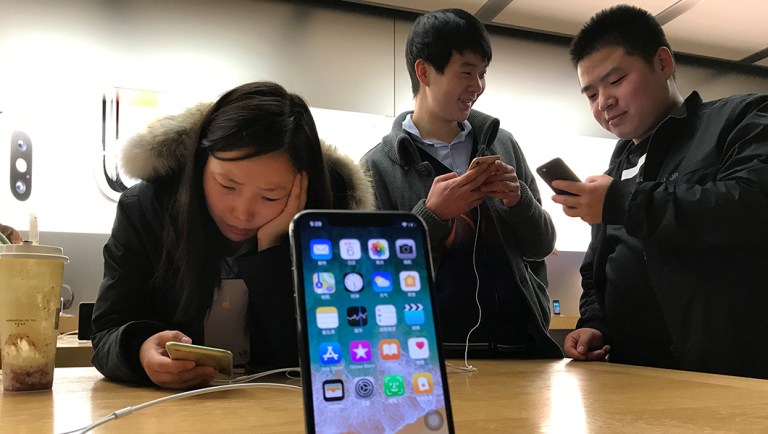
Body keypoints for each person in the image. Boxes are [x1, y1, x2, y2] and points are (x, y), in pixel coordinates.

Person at [91, 81, 374, 389]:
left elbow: (338, 350)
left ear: (301, 189)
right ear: (199, 163)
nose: (243, 213)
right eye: (227, 185)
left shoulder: (326, 225)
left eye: (270, 196)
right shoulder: (147, 209)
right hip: (173, 411)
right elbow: (107, 330)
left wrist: (273, 249)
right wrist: (140, 350)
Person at [554, 5, 768, 379]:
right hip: (632, 375)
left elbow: (751, 205)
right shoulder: (616, 168)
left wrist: (623, 201)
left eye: (616, 80)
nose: (604, 101)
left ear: (663, 63)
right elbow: (596, 268)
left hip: (726, 375)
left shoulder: (740, 118)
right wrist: (594, 322)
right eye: (590, 94)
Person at [361, 9, 562, 360]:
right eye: (466, 72)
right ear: (424, 71)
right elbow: (373, 277)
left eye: (482, 74)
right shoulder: (377, 166)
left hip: (521, 347)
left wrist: (519, 200)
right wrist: (431, 215)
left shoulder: (504, 145)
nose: (478, 86)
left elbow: (542, 245)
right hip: (431, 356)